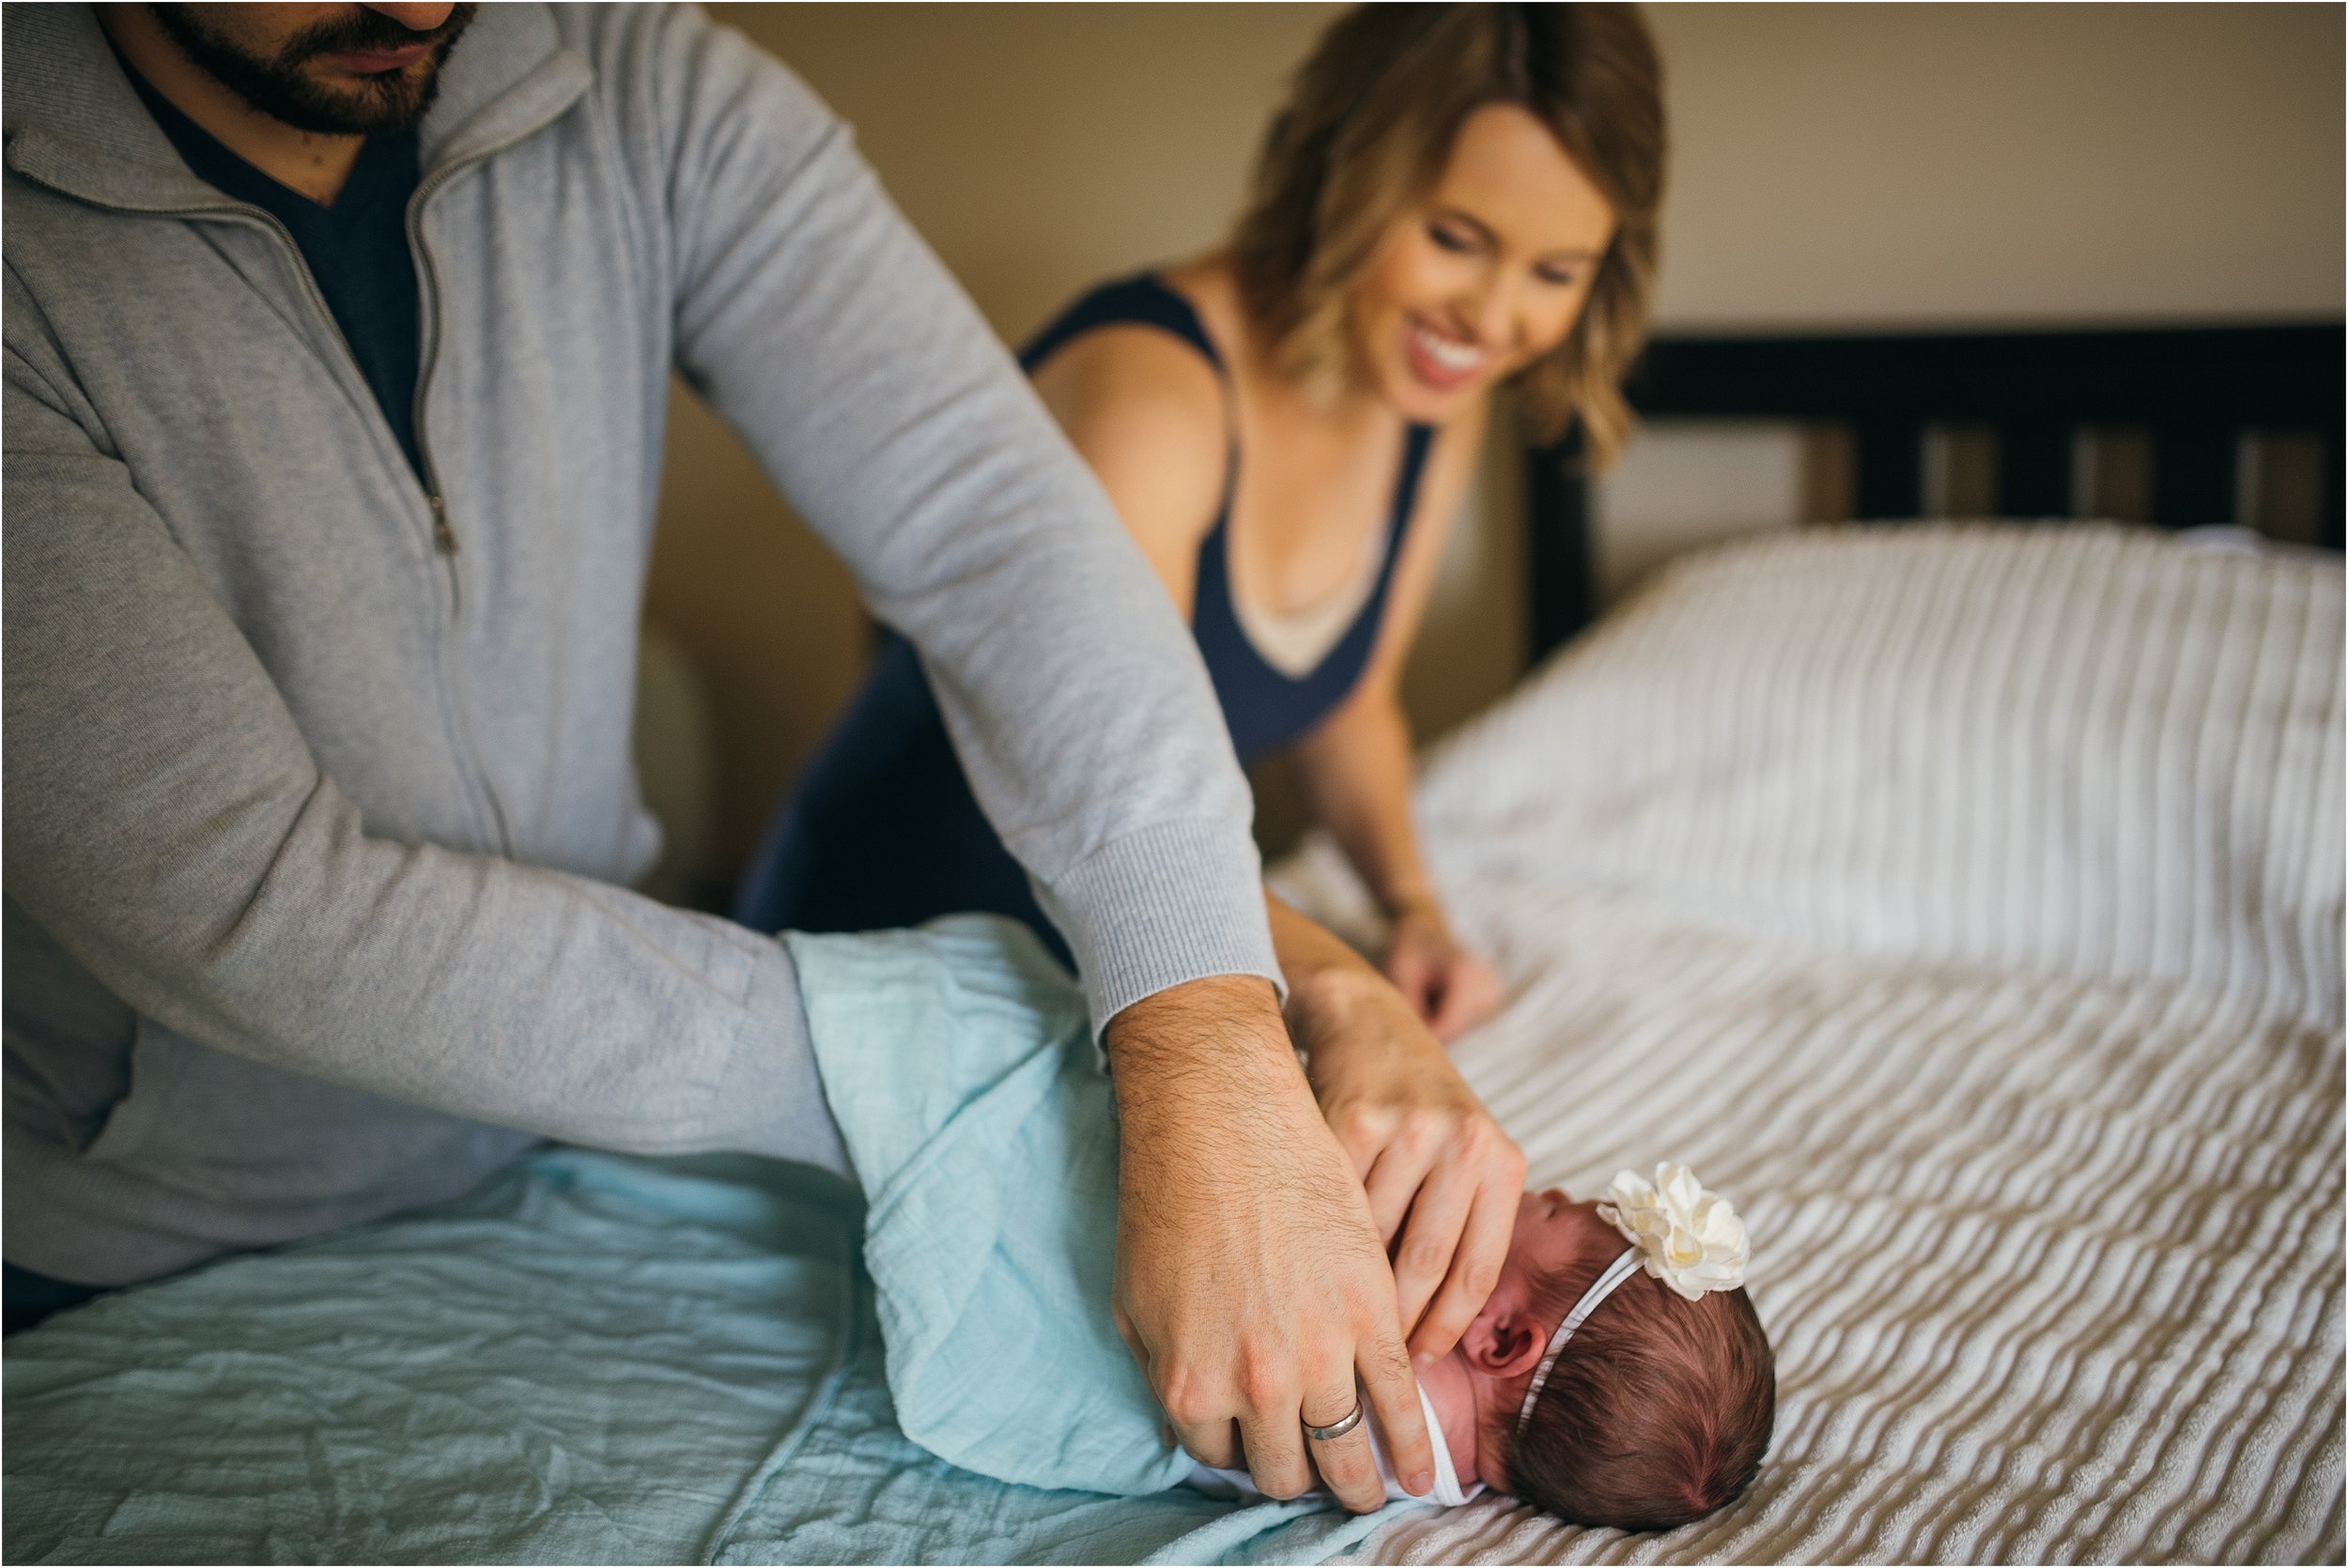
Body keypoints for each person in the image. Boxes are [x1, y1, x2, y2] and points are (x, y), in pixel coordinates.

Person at [2, 4, 1525, 1510]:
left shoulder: (637, 79)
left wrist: (1240, 1017)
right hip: (125, 1229)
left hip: (576, 1154)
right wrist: (921, 1062)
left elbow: (997, 534)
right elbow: (250, 903)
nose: (416, 4)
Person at [734, 2, 1665, 1044]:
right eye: (1455, 239)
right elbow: (1114, 821)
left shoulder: (1428, 396)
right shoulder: (1150, 396)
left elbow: (1348, 701)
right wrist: (1342, 987)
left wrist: (1411, 911)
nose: (1494, 321)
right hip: (900, 963)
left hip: (1102, 974)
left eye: (1555, 271)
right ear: (1340, 172)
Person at [789, 914, 1776, 1527]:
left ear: (1503, 1335)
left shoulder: (1402, 1380)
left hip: (1068, 1251)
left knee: (956, 1026)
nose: (1537, 1188)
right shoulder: (1436, 1474)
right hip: (1034, 1376)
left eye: (1549, 1209)